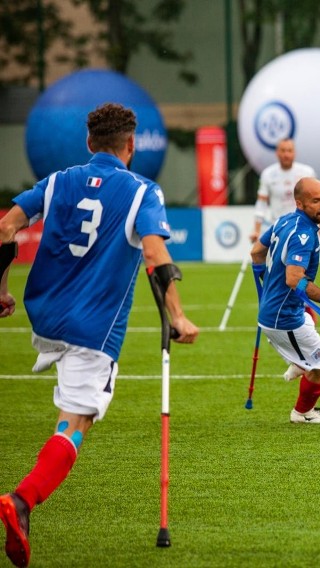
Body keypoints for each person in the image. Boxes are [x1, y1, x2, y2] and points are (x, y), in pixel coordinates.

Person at [0, 102, 199, 568]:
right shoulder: (142, 191)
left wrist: (2, 286)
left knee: (72, 414)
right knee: (76, 422)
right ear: (131, 145)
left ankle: (24, 501)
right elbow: (155, 251)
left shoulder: (58, 180)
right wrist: (178, 316)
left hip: (45, 318)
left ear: (89, 143)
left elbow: (8, 224)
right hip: (92, 328)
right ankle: (21, 502)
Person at [250, 177, 320, 424]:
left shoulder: (285, 220)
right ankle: (303, 413)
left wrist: (263, 283)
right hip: (283, 318)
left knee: (308, 315)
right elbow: (294, 279)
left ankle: (299, 363)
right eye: (316, 201)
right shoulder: (303, 234)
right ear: (300, 203)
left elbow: (256, 252)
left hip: (281, 310)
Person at [250, 137, 320, 242]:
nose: (286, 154)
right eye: (283, 150)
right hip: (278, 228)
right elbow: (261, 204)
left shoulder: (307, 173)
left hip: (302, 228)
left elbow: (317, 201)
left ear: (294, 153)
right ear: (277, 153)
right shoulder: (268, 174)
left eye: (289, 150)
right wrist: (256, 230)